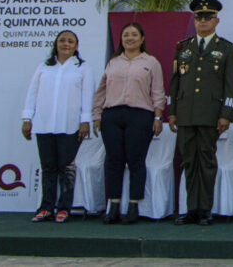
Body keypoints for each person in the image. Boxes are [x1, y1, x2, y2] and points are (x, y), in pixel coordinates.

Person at [169, 0, 233, 226]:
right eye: (199, 17)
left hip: (211, 115)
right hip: (186, 114)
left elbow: (231, 86)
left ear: (216, 21)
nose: (202, 22)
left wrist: (226, 115)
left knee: (207, 162)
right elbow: (175, 82)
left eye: (208, 18)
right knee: (189, 161)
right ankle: (192, 209)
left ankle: (206, 209)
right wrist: (172, 112)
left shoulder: (226, 49)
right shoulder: (183, 47)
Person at [92, 22, 166, 224]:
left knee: (135, 161)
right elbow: (101, 91)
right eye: (126, 35)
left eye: (134, 35)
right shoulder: (113, 62)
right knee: (114, 161)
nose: (130, 38)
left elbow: (158, 92)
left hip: (140, 115)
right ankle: (114, 206)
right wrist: (96, 115)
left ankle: (133, 206)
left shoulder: (151, 63)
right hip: (112, 116)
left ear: (142, 39)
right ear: (121, 39)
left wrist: (158, 117)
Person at [21, 30, 94, 224]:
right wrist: (27, 118)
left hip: (70, 125)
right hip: (44, 124)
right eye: (62, 40)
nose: (66, 44)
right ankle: (46, 208)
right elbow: (32, 93)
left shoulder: (82, 68)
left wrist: (85, 121)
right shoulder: (45, 67)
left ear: (76, 46)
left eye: (70, 41)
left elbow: (88, 96)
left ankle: (64, 208)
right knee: (48, 168)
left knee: (66, 168)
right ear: (56, 44)